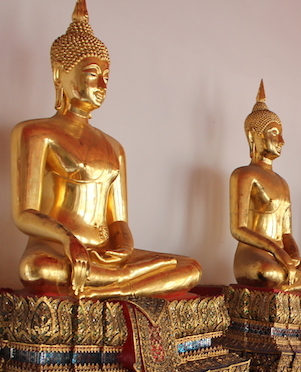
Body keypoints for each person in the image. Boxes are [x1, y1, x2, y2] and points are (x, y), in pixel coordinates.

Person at [12, 0, 200, 297]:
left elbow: (119, 221)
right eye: (91, 73)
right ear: (60, 74)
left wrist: (123, 247)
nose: (102, 84)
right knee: (36, 269)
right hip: (60, 251)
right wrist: (68, 240)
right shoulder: (36, 132)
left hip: (107, 257)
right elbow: (25, 214)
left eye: (107, 76)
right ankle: (121, 284)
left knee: (190, 268)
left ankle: (105, 288)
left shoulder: (114, 146)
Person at [229, 82, 301, 290]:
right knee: (268, 272)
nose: (282, 140)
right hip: (253, 255)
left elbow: (286, 233)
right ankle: (293, 281)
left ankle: (290, 284)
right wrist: (276, 250)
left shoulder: (282, 183)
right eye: (274, 133)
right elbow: (238, 228)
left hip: (282, 258)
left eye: (280, 133)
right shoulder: (244, 174)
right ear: (254, 136)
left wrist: (294, 255)